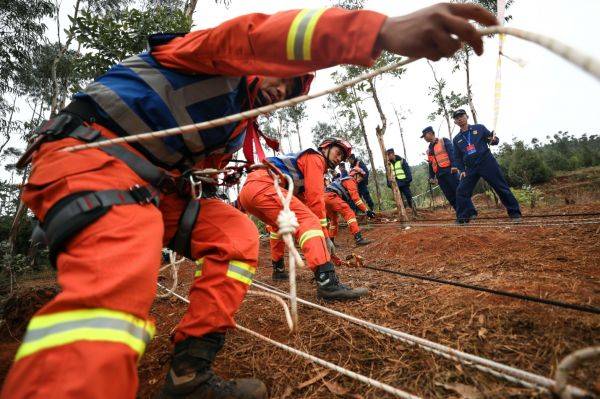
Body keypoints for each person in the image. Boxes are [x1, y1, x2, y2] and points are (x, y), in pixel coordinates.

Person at [1, 4, 498, 399]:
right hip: (87, 155)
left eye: (296, 86)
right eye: (283, 73)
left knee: (236, 236)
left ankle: (189, 372)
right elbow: (257, 34)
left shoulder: (238, 129)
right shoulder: (204, 52)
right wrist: (380, 31)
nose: (285, 85)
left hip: (154, 186)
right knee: (122, 258)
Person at [239, 138, 369, 300]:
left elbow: (305, 203)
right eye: (338, 152)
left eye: (342, 157)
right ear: (326, 148)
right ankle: (327, 282)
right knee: (311, 222)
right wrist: (324, 237)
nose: (339, 158)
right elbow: (315, 202)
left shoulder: (304, 168)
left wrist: (322, 241)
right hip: (263, 186)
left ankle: (278, 269)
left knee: (280, 227)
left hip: (250, 192)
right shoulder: (316, 158)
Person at [452, 109, 522, 223]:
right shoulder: (456, 139)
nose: (459, 119)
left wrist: (494, 139)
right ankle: (463, 218)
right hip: (470, 168)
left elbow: (493, 140)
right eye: (457, 118)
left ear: (467, 116)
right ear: (455, 122)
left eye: (461, 116)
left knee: (501, 187)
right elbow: (457, 157)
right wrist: (462, 170)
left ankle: (515, 213)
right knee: (461, 191)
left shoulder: (479, 128)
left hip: (487, 162)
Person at [325, 166, 375, 246]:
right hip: (332, 196)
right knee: (349, 213)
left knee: (334, 220)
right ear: (355, 174)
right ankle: (358, 238)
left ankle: (331, 241)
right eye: (360, 177)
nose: (360, 180)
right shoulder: (351, 180)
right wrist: (367, 210)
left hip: (325, 197)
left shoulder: (343, 179)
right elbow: (356, 199)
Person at [421, 125, 467, 211]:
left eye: (425, 135)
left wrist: (454, 166)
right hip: (439, 175)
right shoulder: (429, 149)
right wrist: (431, 177)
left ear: (431, 133)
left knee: (459, 192)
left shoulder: (443, 141)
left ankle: (470, 211)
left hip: (450, 171)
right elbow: (431, 164)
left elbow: (452, 154)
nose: (424, 138)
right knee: (449, 195)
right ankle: (460, 214)